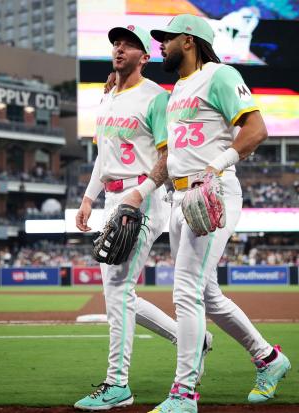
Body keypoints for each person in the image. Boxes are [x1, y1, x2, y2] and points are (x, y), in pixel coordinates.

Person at [147, 14, 291, 412]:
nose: (161, 44)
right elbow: (175, 156)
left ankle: (184, 392)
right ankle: (269, 358)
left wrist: (218, 164)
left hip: (212, 192)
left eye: (167, 38)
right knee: (206, 293)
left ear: (189, 42)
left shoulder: (221, 75)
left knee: (186, 292)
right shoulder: (176, 90)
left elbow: (257, 129)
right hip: (181, 197)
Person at [73, 25, 212, 411]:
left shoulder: (155, 98)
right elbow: (104, 157)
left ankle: (118, 384)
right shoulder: (108, 97)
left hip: (143, 198)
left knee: (117, 291)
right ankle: (192, 341)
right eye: (116, 43)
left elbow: (168, 159)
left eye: (129, 44)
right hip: (111, 200)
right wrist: (88, 199)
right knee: (120, 294)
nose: (119, 48)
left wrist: (140, 195)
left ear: (144, 57)